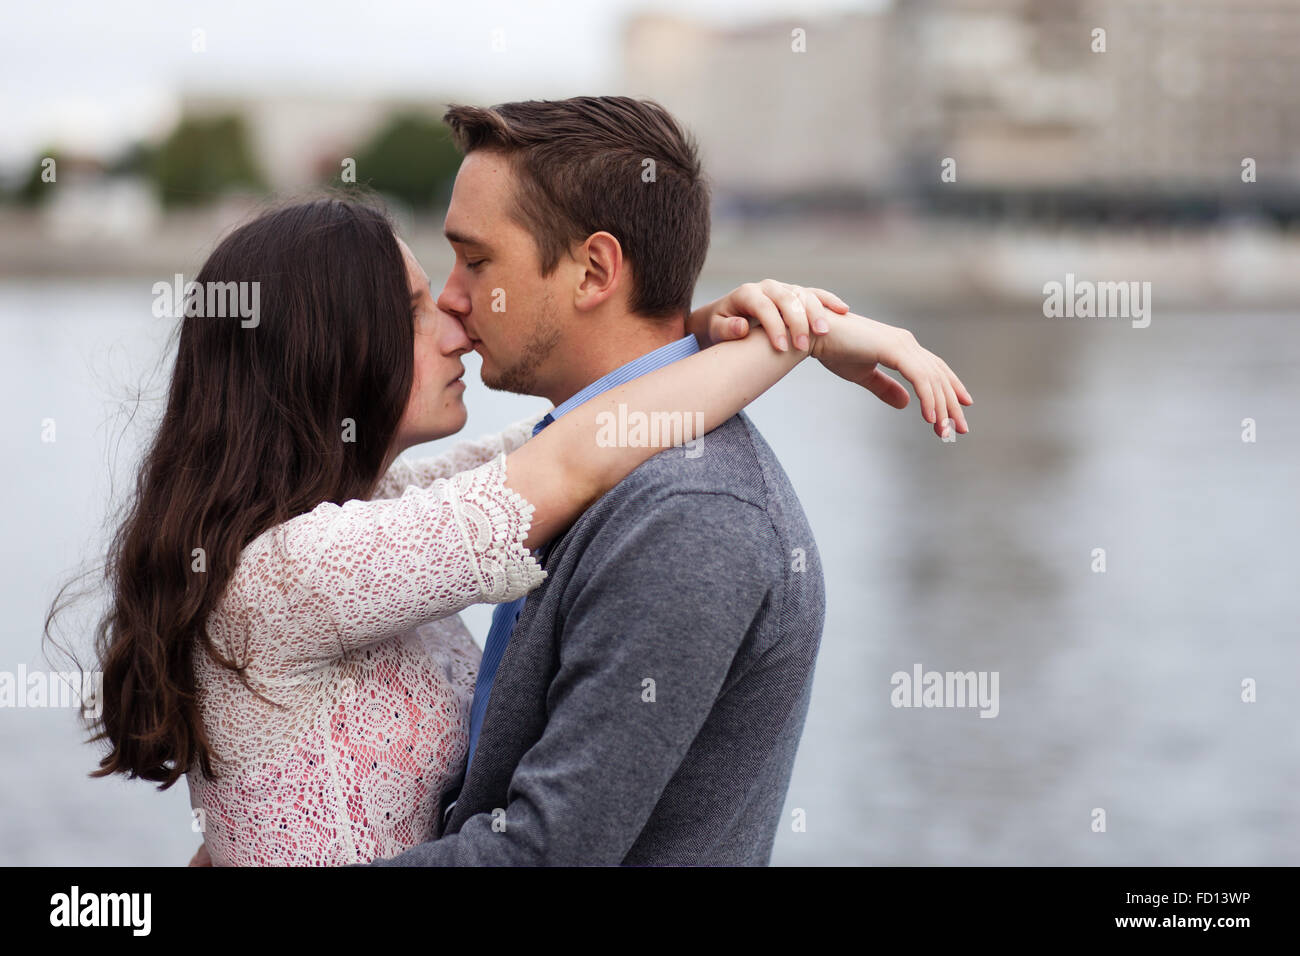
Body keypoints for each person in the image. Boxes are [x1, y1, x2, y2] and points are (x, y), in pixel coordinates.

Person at [344, 96, 971, 866]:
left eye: (477, 261)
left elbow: (544, 855)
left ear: (595, 271)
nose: (452, 296)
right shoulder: (603, 462)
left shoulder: (689, 513)